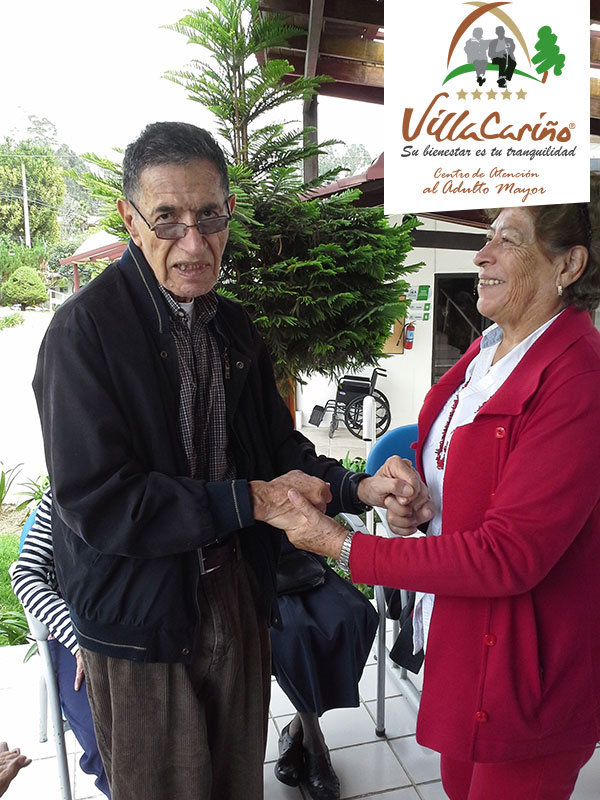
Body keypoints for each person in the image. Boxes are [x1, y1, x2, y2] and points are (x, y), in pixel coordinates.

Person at [32, 121, 418, 800]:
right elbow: (102, 503)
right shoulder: (83, 333)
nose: (193, 242)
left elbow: (276, 450)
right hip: (141, 617)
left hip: (236, 590)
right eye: (167, 218)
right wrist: (252, 500)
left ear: (229, 211)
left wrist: (358, 488)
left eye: (209, 216)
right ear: (130, 218)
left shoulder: (231, 325)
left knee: (239, 783)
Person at [273, 181, 600, 800]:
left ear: (568, 265)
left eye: (508, 239)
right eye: (487, 235)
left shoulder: (577, 377)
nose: (482, 254)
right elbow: (462, 476)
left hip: (526, 668)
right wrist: (416, 500)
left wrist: (344, 546)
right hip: (463, 636)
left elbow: (509, 553)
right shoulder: (486, 352)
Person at [10, 490, 110, 797]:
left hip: (143, 620)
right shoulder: (63, 493)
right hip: (76, 629)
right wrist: (77, 639)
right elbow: (26, 574)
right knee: (104, 739)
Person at [271, 539, 378, 800]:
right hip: (248, 571)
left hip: (301, 560)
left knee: (355, 614)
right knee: (293, 634)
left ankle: (296, 730)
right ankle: (315, 744)